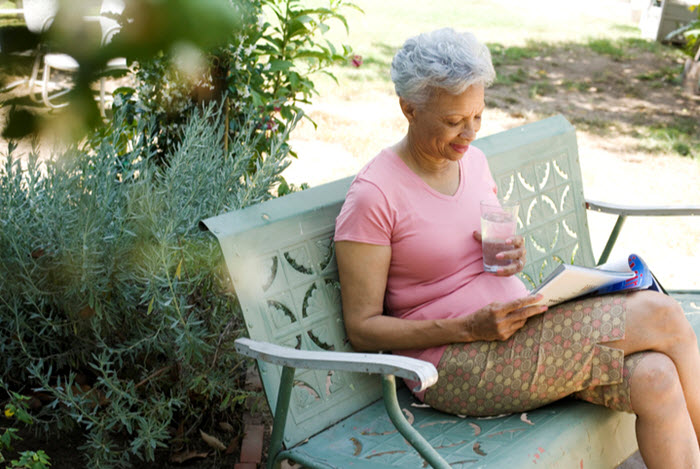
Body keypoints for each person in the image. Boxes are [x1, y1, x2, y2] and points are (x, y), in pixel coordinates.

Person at [334, 28, 700, 469]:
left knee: (656, 380)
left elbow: (482, 247)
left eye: (477, 117)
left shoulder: (472, 160)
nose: (468, 134)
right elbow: (363, 327)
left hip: (519, 334)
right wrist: (469, 328)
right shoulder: (375, 195)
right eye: (453, 121)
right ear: (408, 109)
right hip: (454, 365)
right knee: (662, 313)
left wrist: (511, 255)